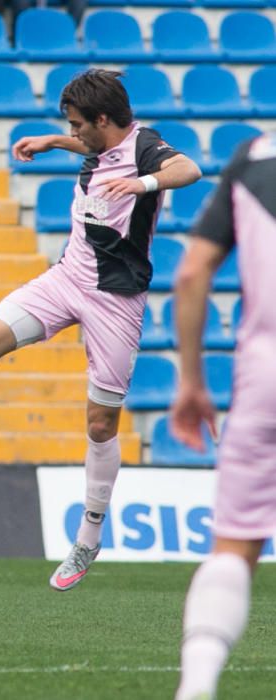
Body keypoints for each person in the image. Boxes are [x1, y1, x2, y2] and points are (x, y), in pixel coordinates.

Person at [0, 69, 202, 591]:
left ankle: (88, 537)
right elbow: (95, 150)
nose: (74, 133)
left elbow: (190, 169)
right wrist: (55, 141)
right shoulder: (98, 143)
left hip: (116, 301)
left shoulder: (144, 146)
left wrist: (142, 183)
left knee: (100, 425)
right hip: (67, 276)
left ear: (103, 120)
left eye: (77, 125)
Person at [171, 134, 276, 699]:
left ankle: (198, 686)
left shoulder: (254, 155)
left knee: (234, 549)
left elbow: (190, 274)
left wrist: (191, 382)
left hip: (265, 383)